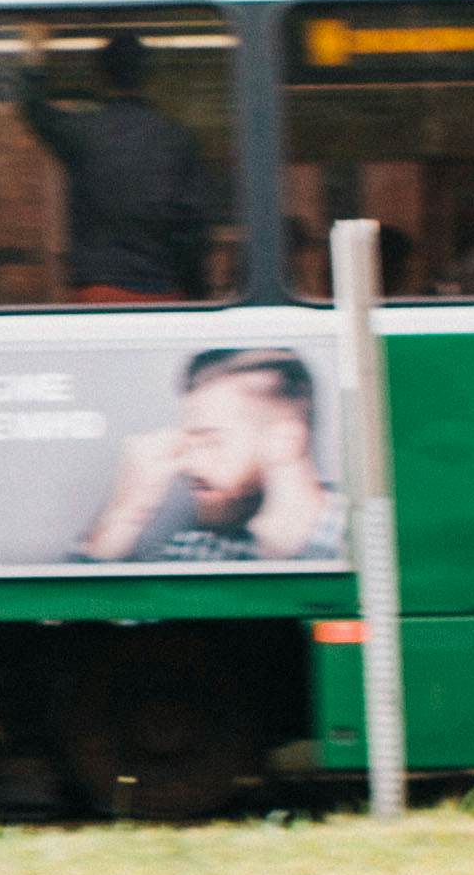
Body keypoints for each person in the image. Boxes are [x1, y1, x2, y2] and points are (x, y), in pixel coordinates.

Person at [76, 345, 344, 563]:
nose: (188, 465)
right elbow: (82, 621)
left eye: (211, 441)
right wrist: (125, 514)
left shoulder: (368, 542)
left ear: (286, 440)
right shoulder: (197, 553)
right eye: (188, 444)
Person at [21, 32, 219, 303]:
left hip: (98, 295)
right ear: (149, 77)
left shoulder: (83, 131)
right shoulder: (176, 138)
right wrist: (196, 293)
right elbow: (194, 226)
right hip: (165, 295)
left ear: (101, 76)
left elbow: (34, 110)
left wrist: (34, 48)